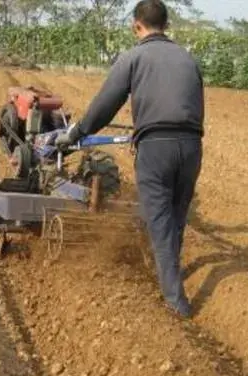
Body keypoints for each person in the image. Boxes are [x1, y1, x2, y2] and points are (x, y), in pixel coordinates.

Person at [56, 0, 204, 319]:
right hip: (192, 145)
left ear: (137, 26)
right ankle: (170, 272)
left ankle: (175, 302)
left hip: (156, 147)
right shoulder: (187, 58)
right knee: (177, 215)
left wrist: (76, 132)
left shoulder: (133, 56)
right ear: (166, 25)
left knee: (159, 220)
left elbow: (106, 104)